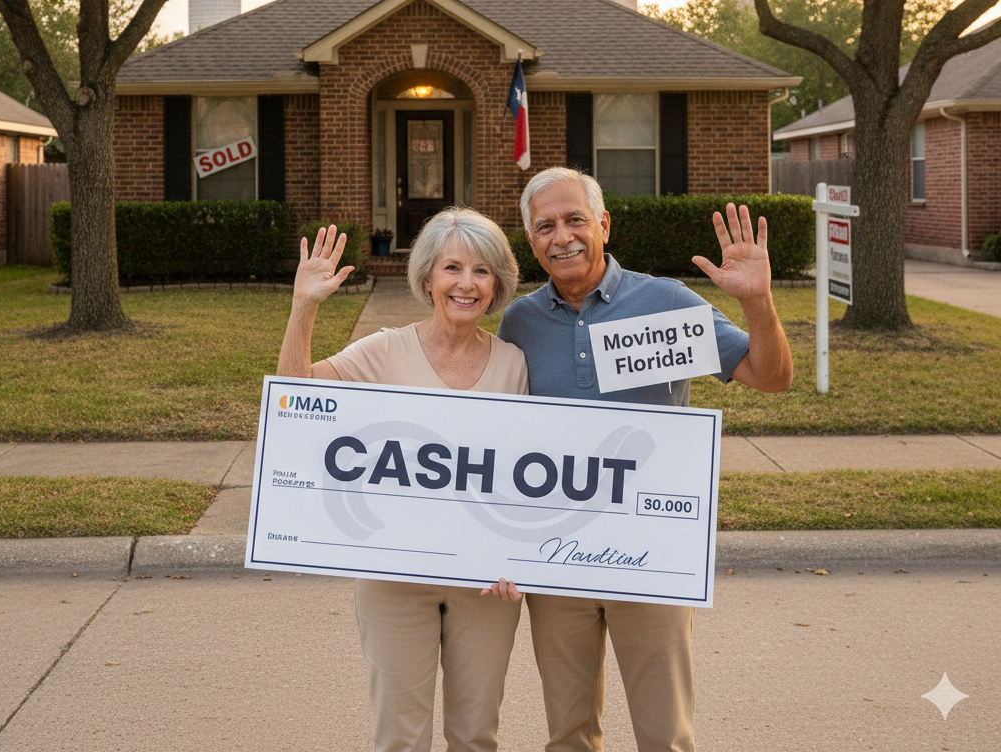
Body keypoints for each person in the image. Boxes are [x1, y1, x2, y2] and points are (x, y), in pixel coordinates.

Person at [496, 166, 793, 752]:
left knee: (665, 733)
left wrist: (757, 300)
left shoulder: (663, 301)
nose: (562, 237)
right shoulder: (519, 321)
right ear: (530, 242)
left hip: (651, 550)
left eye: (576, 220)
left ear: (603, 224)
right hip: (557, 554)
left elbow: (771, 377)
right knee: (570, 732)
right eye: (545, 227)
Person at [277, 207, 527, 752]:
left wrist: (522, 559)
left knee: (476, 734)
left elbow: (532, 477)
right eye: (452, 268)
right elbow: (294, 396)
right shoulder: (385, 349)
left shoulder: (514, 364)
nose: (466, 284)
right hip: (392, 581)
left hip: (484, 582)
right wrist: (303, 308)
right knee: (399, 738)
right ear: (427, 278)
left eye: (482, 271)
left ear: (498, 283)